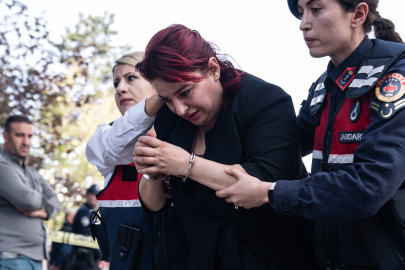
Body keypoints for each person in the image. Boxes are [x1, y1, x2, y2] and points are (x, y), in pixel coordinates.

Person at [216, 1, 405, 269]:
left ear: (358, 14)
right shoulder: (323, 89)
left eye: (315, 9)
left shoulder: (396, 77)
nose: (303, 23)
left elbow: (368, 189)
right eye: (301, 12)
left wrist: (269, 192)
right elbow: (276, 148)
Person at [133, 24, 319, 270]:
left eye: (186, 92)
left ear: (213, 69)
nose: (180, 109)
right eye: (167, 100)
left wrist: (185, 164)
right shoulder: (170, 119)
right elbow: (154, 206)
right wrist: (151, 171)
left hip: (274, 258)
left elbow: (265, 182)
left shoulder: (265, 101)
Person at [85, 52, 188, 270]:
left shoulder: (189, 134)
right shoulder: (104, 137)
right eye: (116, 83)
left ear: (156, 81)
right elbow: (117, 145)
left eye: (131, 78)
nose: (120, 88)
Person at [0, 115, 61, 270]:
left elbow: (56, 202)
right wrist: (44, 202)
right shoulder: (2, 166)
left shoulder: (33, 173)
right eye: (20, 135)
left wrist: (42, 213)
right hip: (11, 256)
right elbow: (26, 199)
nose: (26, 142)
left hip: (36, 258)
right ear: (5, 136)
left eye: (29, 136)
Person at [70, 184, 101, 270]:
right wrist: (101, 255)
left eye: (98, 195)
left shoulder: (90, 212)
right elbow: (88, 236)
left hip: (88, 260)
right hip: (84, 260)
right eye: (94, 195)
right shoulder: (84, 212)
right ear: (86, 196)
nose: (97, 198)